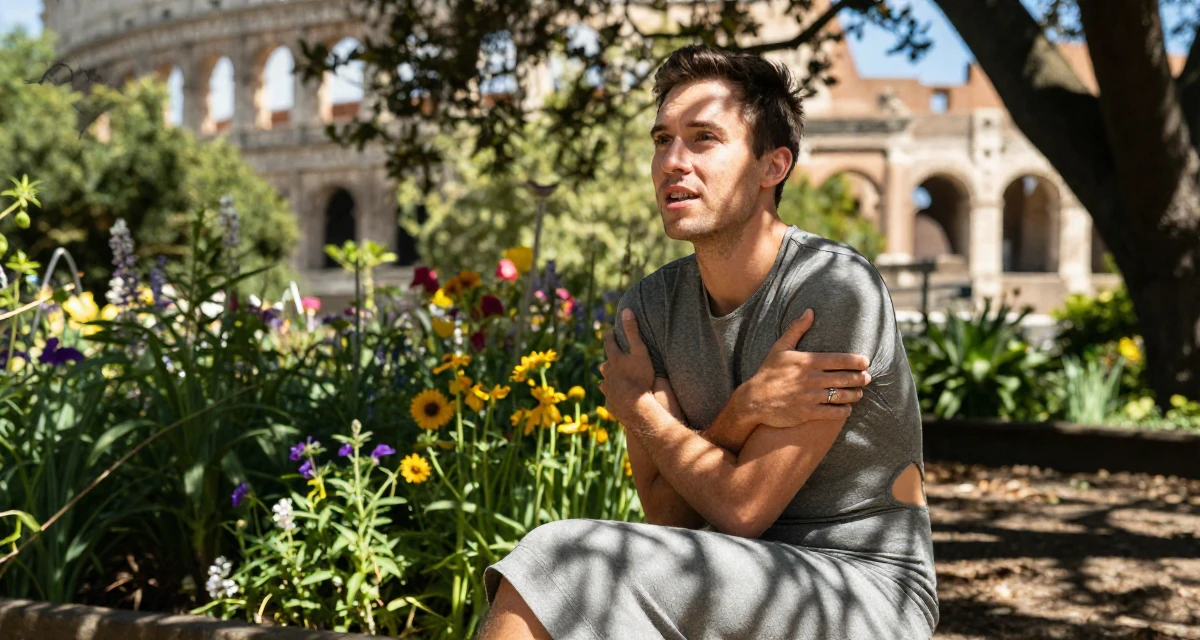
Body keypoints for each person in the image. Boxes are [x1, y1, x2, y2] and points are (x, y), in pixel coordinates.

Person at [479, 45, 938, 639]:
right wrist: (740, 413)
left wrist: (640, 407)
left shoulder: (832, 290)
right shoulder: (648, 310)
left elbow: (743, 509)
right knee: (572, 574)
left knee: (563, 557)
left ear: (773, 166)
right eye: (661, 139)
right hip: (724, 573)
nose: (673, 161)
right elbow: (670, 516)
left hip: (861, 588)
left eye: (702, 139)